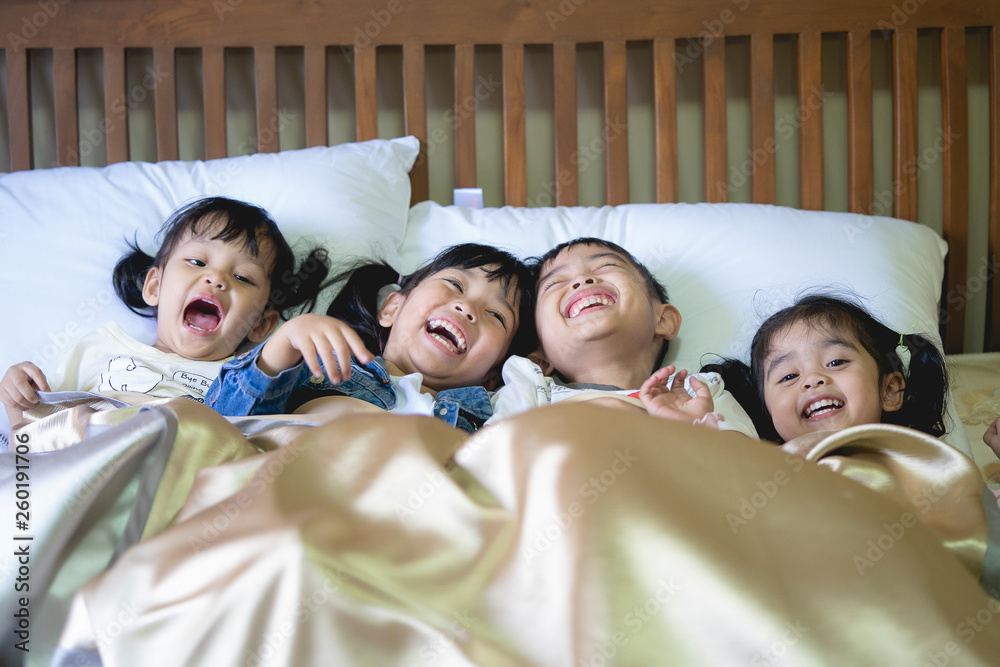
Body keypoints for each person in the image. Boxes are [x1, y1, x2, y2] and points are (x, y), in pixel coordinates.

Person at [0, 196, 329, 428]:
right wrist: (17, 403)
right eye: (197, 262)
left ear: (261, 324)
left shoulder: (249, 381)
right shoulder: (98, 349)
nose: (216, 278)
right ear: (155, 286)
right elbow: (33, 445)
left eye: (242, 277)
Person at [207, 243, 535, 433]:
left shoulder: (491, 416)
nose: (468, 308)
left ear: (495, 373)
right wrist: (284, 344)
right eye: (455, 284)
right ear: (392, 307)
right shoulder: (327, 363)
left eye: (496, 315)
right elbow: (223, 423)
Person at [487, 237, 758, 437]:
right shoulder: (529, 391)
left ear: (663, 320)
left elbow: (750, 469)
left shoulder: (700, 391)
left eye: (604, 267)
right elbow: (488, 460)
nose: (581, 280)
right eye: (556, 283)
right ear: (540, 352)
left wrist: (689, 428)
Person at [702, 293, 949, 443]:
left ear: (889, 390)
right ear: (769, 415)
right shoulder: (765, 464)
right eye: (789, 376)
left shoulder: (918, 456)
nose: (812, 380)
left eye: (836, 362)